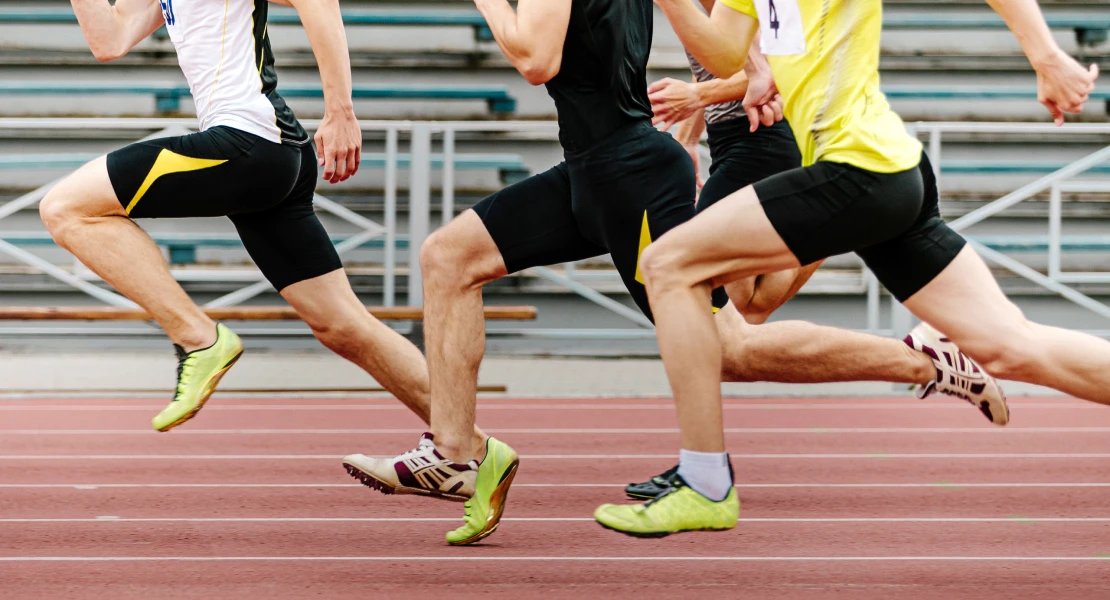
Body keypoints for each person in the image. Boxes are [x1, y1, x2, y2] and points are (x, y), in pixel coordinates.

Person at [344, 0, 1005, 546]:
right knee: (449, 257)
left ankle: (927, 361)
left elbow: (535, 58)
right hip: (593, 171)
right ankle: (459, 455)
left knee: (730, 348)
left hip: (628, 175)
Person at [594, 0, 1103, 537]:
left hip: (859, 167)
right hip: (885, 170)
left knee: (669, 264)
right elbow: (724, 53)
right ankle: (704, 481)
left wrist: (1045, 55)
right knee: (1010, 346)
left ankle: (703, 482)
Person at [41, 0, 468, 453]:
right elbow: (111, 38)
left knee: (66, 208)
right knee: (343, 327)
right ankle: (470, 446)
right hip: (267, 150)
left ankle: (198, 338)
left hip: (249, 140)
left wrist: (340, 109)